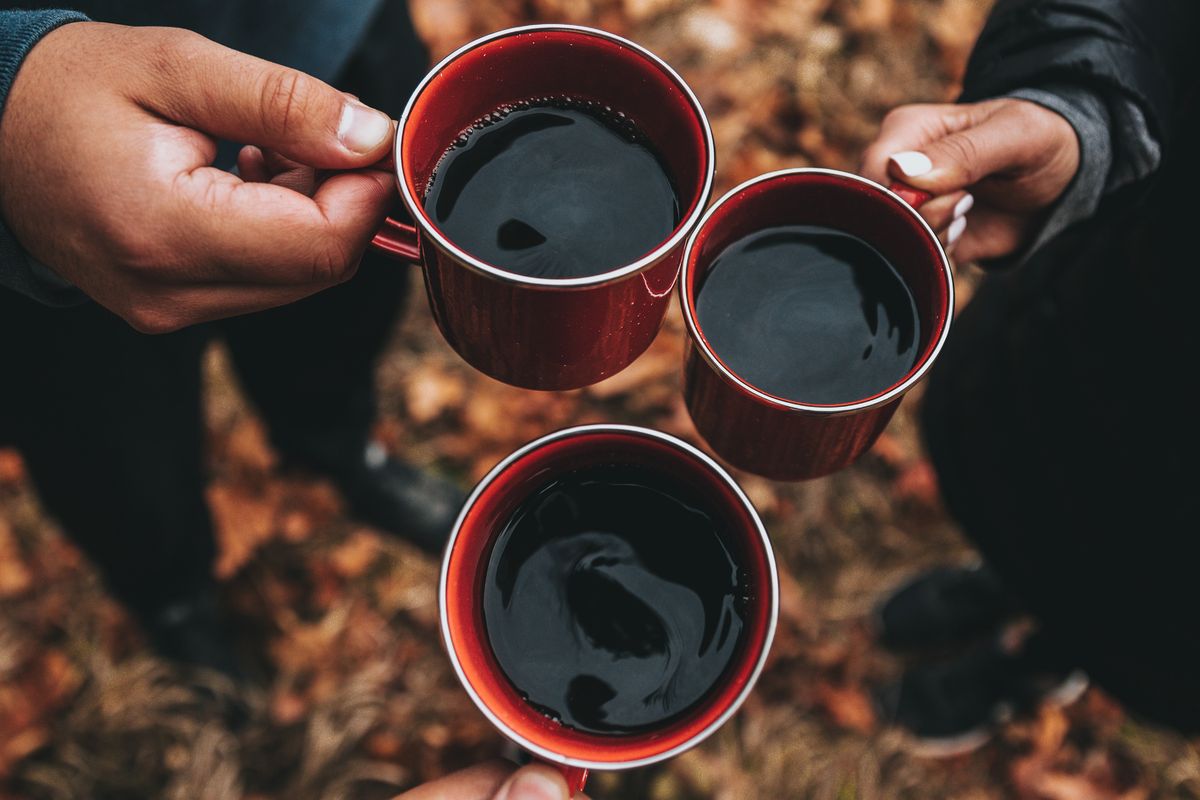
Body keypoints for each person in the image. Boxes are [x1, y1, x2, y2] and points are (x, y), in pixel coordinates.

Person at [0, 2, 464, 675]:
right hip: (43, 168)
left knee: (334, 341)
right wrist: (9, 95)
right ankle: (173, 596)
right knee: (116, 459)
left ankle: (341, 456)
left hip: (335, 43)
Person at [858, 0, 1200, 752]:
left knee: (1138, 620)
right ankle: (1003, 584)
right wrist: (1085, 103)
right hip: (1117, 321)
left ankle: (1036, 665)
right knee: (1043, 505)